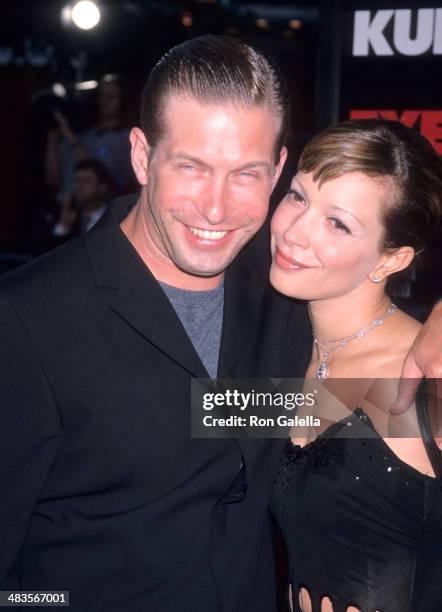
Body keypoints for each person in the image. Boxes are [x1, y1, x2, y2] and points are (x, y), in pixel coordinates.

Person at [0, 36, 441, 612]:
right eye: (191, 166)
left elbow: (244, 411)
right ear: (141, 156)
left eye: (247, 174)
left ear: (278, 167)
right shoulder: (29, 317)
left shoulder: (284, 288)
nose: (215, 208)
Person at [270, 119, 442, 612]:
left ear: (391, 260)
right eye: (299, 197)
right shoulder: (278, 348)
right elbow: (194, 429)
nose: (293, 233)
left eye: (337, 222)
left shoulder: (425, 378)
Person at [45, 74, 133, 203]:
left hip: (98, 215)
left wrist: (68, 135)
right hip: (66, 212)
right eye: (101, 96)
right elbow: (52, 179)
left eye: (111, 97)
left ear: (123, 101)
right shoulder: (83, 137)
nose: (104, 101)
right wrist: (52, 140)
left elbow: (97, 173)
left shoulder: (127, 139)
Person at [52, 158, 115, 239]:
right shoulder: (69, 215)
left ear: (103, 187)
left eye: (86, 181)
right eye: (77, 180)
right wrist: (64, 225)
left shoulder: (112, 219)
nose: (79, 186)